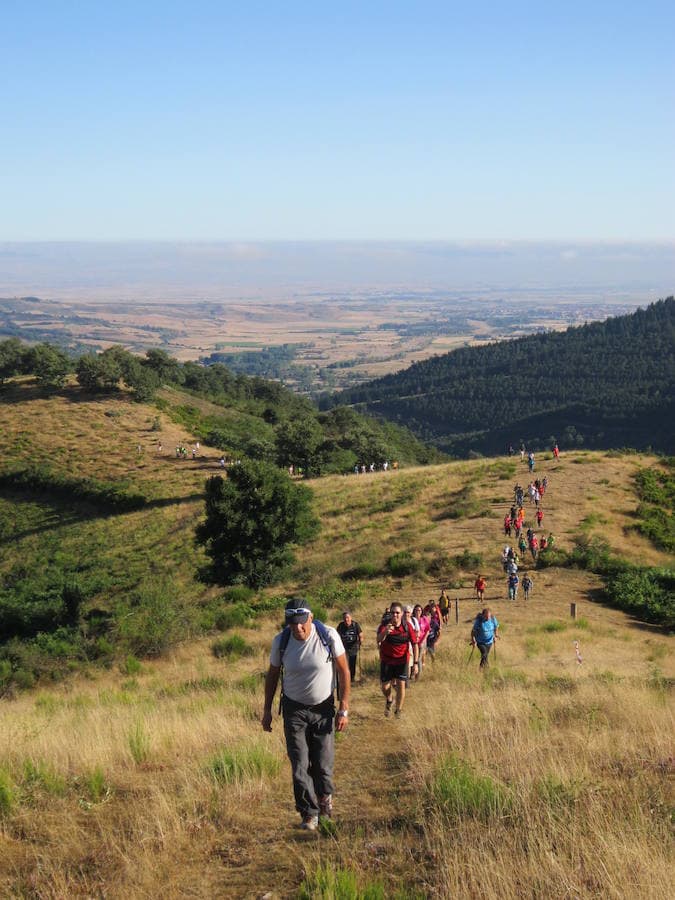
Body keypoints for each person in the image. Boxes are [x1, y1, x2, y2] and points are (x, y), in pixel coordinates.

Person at [262, 600, 350, 831]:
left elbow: (344, 671)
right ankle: (308, 814)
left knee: (322, 762)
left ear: (310, 618)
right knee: (300, 764)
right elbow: (272, 676)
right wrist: (267, 711)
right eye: (292, 624)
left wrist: (344, 708)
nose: (297, 628)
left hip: (323, 709)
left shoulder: (328, 635)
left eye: (301, 623)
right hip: (294, 711)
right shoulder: (281, 641)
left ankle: (324, 803)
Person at [377, 602, 418, 717]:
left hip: (402, 661)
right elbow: (378, 640)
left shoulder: (407, 627)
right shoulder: (385, 625)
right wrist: (385, 632)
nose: (395, 615)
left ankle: (398, 711)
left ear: (402, 614)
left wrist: (415, 663)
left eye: (397, 613)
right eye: (393, 613)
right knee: (385, 687)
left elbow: (415, 644)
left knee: (401, 685)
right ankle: (389, 699)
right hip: (387, 660)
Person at [336, 611, 362, 683]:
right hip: (343, 648)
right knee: (345, 664)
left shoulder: (355, 625)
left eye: (347, 618)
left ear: (351, 618)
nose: (346, 620)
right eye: (344, 618)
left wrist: (360, 640)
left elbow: (360, 634)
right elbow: (336, 634)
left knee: (352, 664)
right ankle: (345, 679)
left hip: (353, 647)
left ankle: (352, 678)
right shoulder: (341, 625)